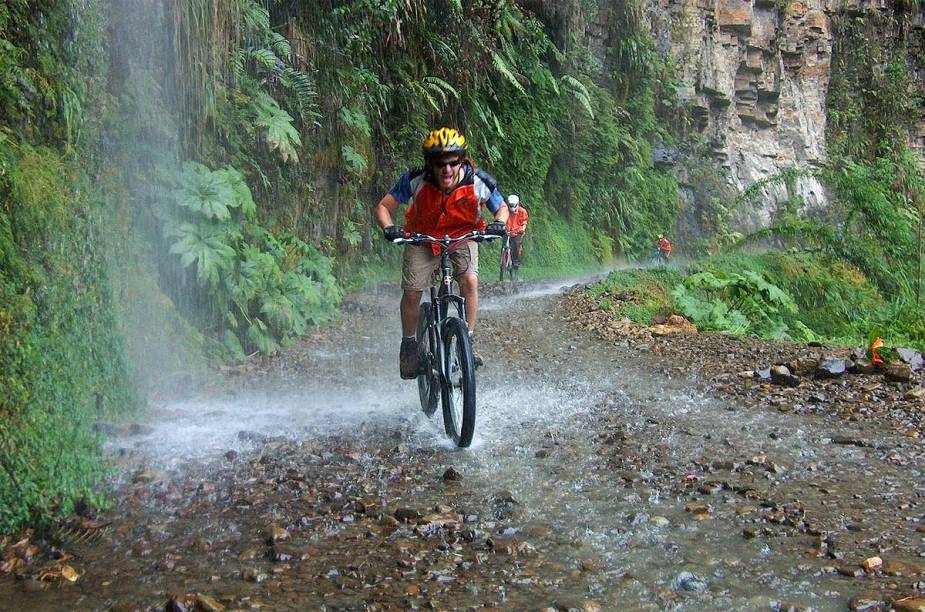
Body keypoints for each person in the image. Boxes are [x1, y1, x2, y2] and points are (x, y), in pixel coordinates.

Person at [375, 127, 509, 379]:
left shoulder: (477, 181)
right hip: (422, 239)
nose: (447, 169)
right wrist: (390, 228)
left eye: (453, 162)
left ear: (462, 161)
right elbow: (384, 206)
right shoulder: (415, 180)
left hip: (463, 237)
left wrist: (499, 223)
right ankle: (409, 344)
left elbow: (501, 207)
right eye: (440, 164)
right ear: (430, 164)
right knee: (413, 292)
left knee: (469, 281)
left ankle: (467, 341)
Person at [505, 194, 528, 276]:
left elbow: (524, 223)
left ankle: (516, 262)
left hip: (517, 232)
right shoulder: (505, 211)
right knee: (504, 246)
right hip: (507, 232)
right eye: (510, 205)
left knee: (516, 244)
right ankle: (504, 262)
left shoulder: (522, 211)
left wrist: (522, 229)